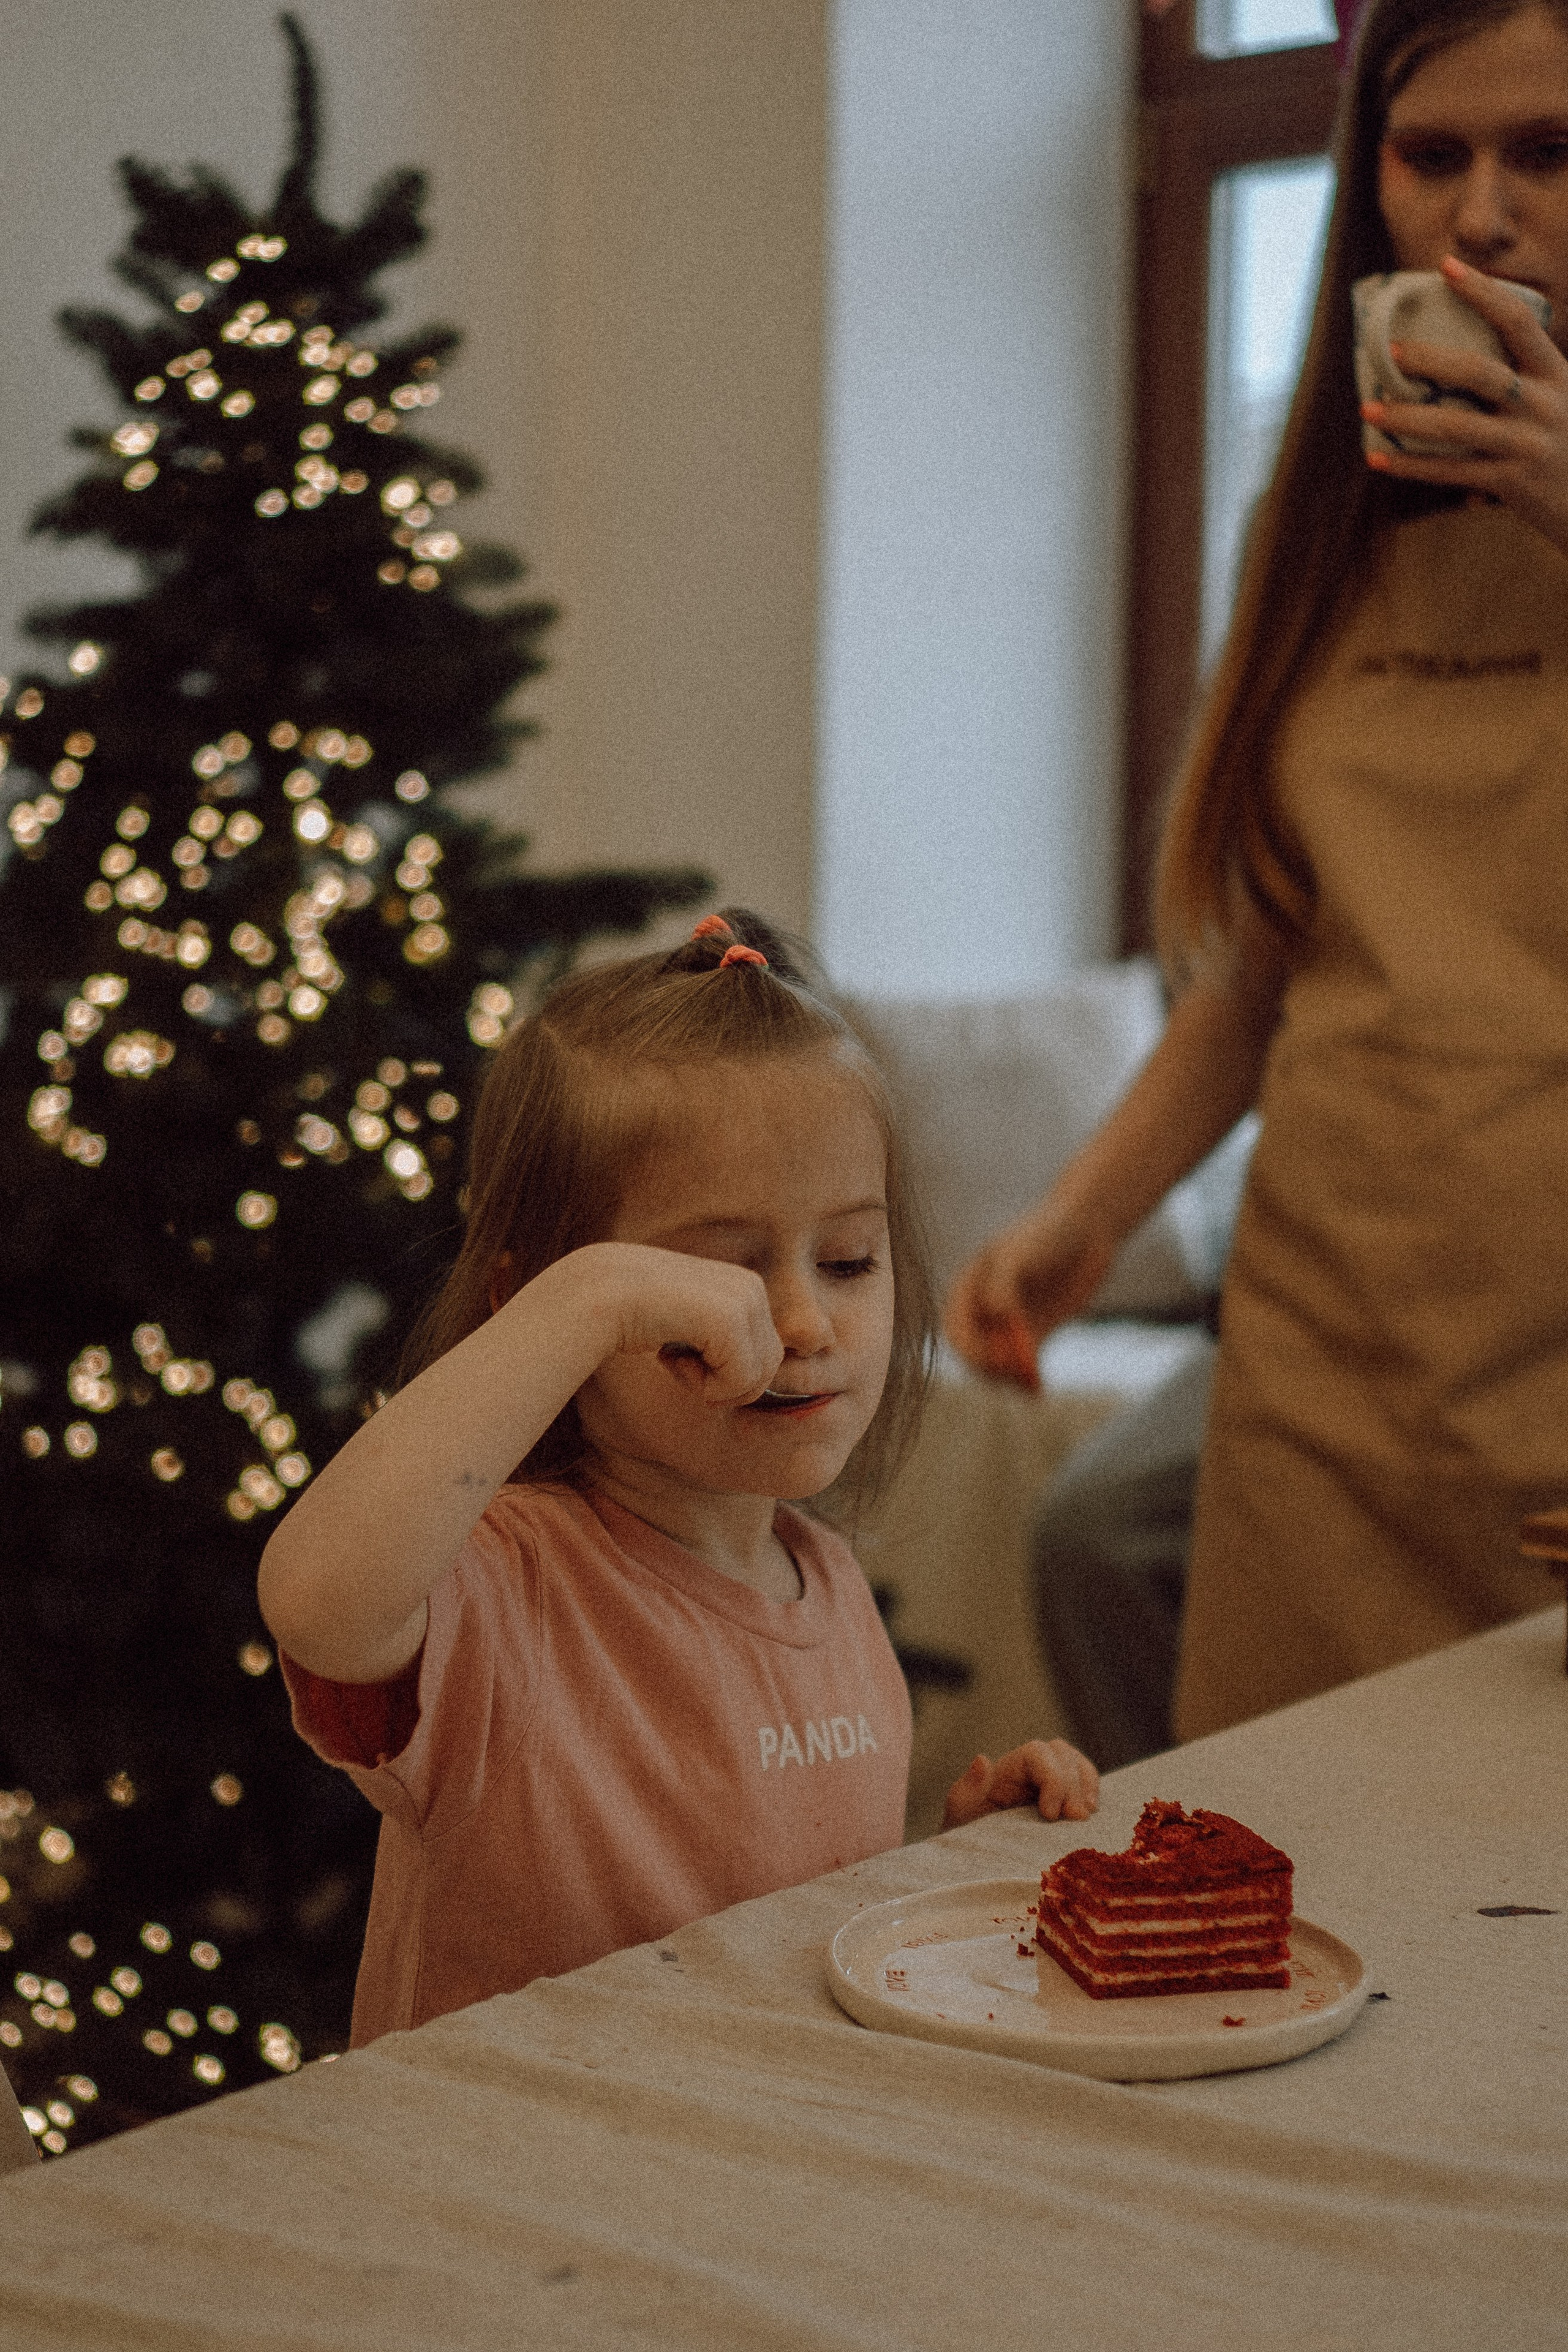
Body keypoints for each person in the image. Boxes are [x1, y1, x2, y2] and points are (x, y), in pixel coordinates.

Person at [948, 0, 1568, 1742]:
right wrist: (1080, 1220)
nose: (1485, 215)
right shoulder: (1310, 540)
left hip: (1549, 1354)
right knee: (1297, 1893)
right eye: (1430, 153)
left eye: (1551, 152)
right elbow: (1264, 970)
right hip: (1328, 1335)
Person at [258, 911, 1098, 2046]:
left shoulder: (832, 1591)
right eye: (712, 1276)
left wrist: (949, 1862)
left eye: (849, 1260)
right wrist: (590, 1302)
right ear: (535, 1305)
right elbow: (316, 1598)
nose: (802, 1321)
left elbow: (800, 1943)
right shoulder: (502, 1587)